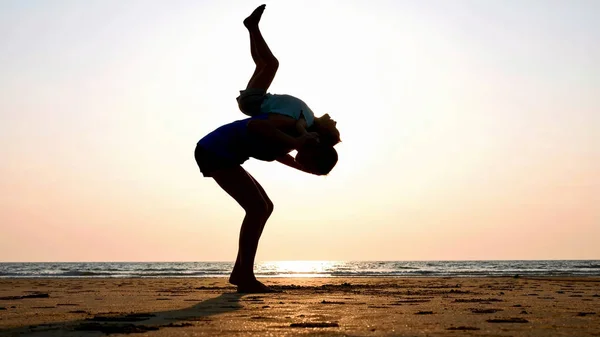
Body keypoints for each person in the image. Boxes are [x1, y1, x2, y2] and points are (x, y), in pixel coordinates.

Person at [195, 114, 338, 293]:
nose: (306, 166)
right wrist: (296, 142)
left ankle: (240, 273)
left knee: (265, 207)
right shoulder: (292, 126)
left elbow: (278, 154)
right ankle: (245, 277)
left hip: (222, 154)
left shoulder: (294, 139)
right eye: (310, 165)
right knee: (257, 208)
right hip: (214, 151)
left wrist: (302, 160)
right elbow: (255, 125)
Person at [236, 4, 340, 148]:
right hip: (255, 100)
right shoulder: (309, 115)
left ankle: (253, 27)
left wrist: (304, 135)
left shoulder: (308, 120)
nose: (334, 122)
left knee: (272, 64)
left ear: (322, 130)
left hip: (256, 101)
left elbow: (300, 126)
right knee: (262, 64)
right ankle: (251, 27)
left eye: (334, 126)